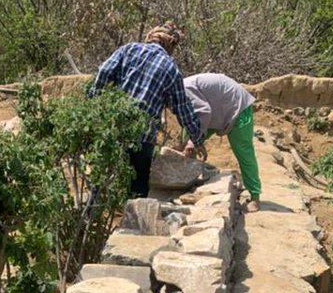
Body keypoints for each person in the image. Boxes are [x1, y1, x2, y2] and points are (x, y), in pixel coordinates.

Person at [89, 22, 203, 197]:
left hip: (113, 125)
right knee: (138, 185)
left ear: (151, 36)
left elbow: (103, 73)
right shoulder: (170, 68)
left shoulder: (128, 49)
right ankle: (132, 220)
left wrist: (94, 103)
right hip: (142, 135)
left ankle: (90, 215)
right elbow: (182, 108)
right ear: (171, 45)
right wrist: (197, 137)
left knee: (100, 177)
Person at [181, 72, 261, 211]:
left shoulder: (185, 90)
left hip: (236, 108)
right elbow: (191, 119)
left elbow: (204, 112)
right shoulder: (180, 91)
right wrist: (194, 140)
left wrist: (193, 142)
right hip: (218, 110)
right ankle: (187, 177)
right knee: (187, 135)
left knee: (244, 153)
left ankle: (255, 196)